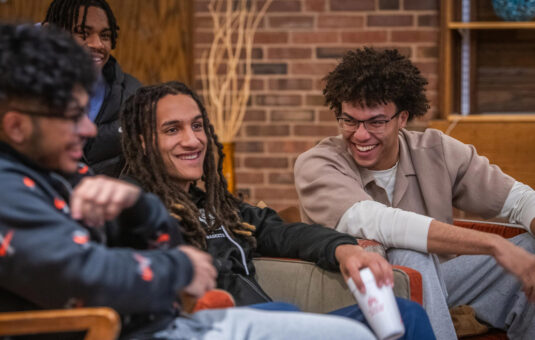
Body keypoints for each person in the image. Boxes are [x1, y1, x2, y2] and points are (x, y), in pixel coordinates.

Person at [0, 23, 389, 340]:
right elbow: (86, 274)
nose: (89, 128)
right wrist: (181, 267)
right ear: (16, 127)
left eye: (198, 126)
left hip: (168, 324)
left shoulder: (68, 176)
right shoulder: (10, 191)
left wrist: (141, 212)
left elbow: (262, 231)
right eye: (72, 114)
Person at [119, 80, 436, 340]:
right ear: (144, 141)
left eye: (197, 126)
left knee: (406, 315)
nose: (192, 140)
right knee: (289, 315)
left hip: (271, 321)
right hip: (214, 328)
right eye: (173, 130)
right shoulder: (130, 208)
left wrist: (345, 250)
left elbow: (281, 232)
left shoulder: (216, 206)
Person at [294, 47, 535, 340]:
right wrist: (494, 244)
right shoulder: (317, 164)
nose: (360, 134)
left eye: (376, 122)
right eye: (350, 121)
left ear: (402, 118)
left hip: (438, 285)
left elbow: (521, 199)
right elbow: (380, 222)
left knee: (530, 248)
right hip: (353, 294)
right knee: (411, 255)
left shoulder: (436, 151)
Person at [42, 0, 141, 177]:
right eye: (82, 33)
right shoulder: (22, 92)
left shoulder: (132, 95)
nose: (97, 44)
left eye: (105, 36)